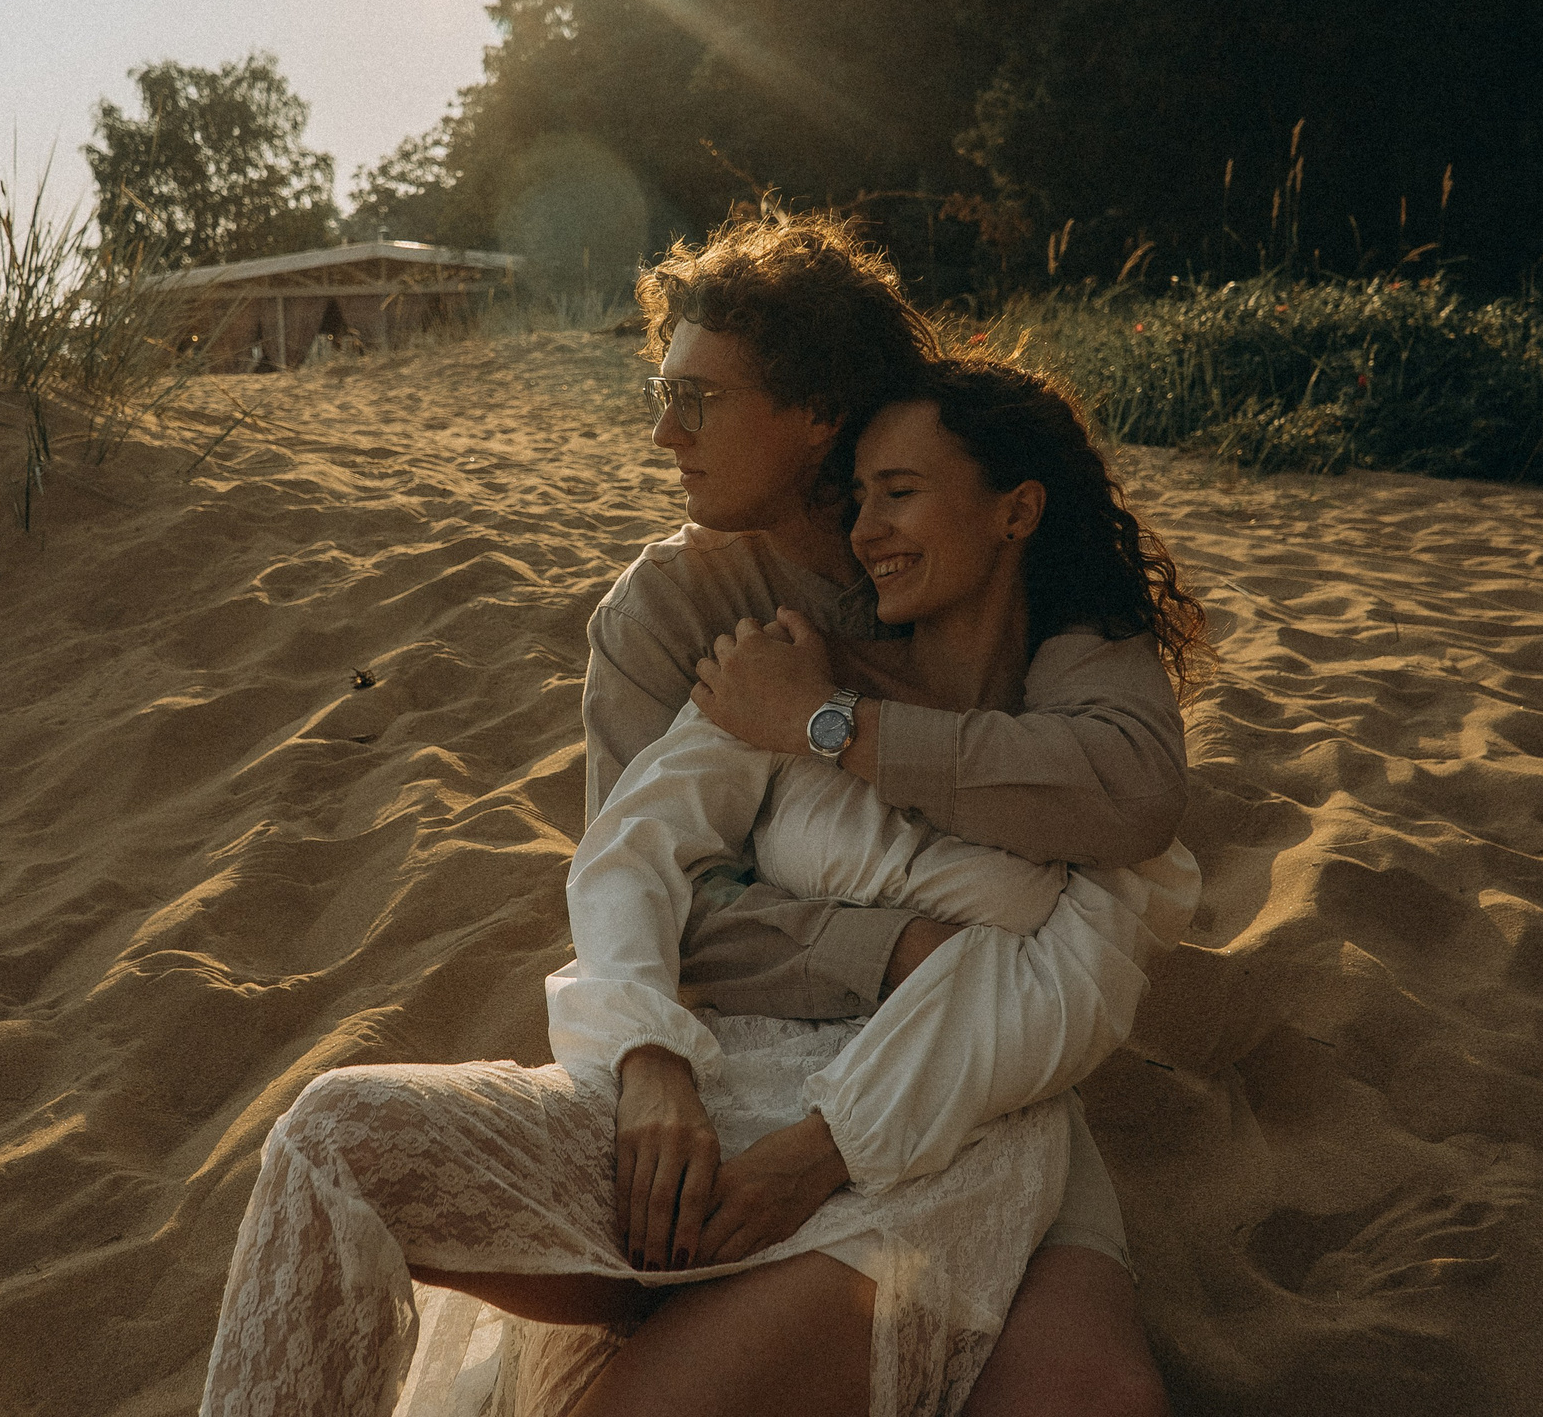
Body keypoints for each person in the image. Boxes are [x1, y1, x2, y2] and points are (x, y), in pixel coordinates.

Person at [198, 351, 1204, 1416]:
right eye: (859, 495)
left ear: (1017, 511)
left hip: (927, 1143)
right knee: (332, 1137)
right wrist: (650, 1056)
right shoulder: (787, 667)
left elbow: (1058, 994)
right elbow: (634, 850)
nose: (867, 529)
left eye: (900, 493)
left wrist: (821, 1151)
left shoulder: (1083, 759)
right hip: (716, 1074)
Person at [579, 215, 1200, 1413]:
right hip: (751, 1061)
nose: (664, 434)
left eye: (696, 399)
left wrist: (829, 723)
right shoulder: (668, 613)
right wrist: (900, 951)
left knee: (1095, 1396)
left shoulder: (987, 557)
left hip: (994, 1056)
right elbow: (653, 895)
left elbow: (1128, 791)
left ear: (817, 409)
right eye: (663, 396)